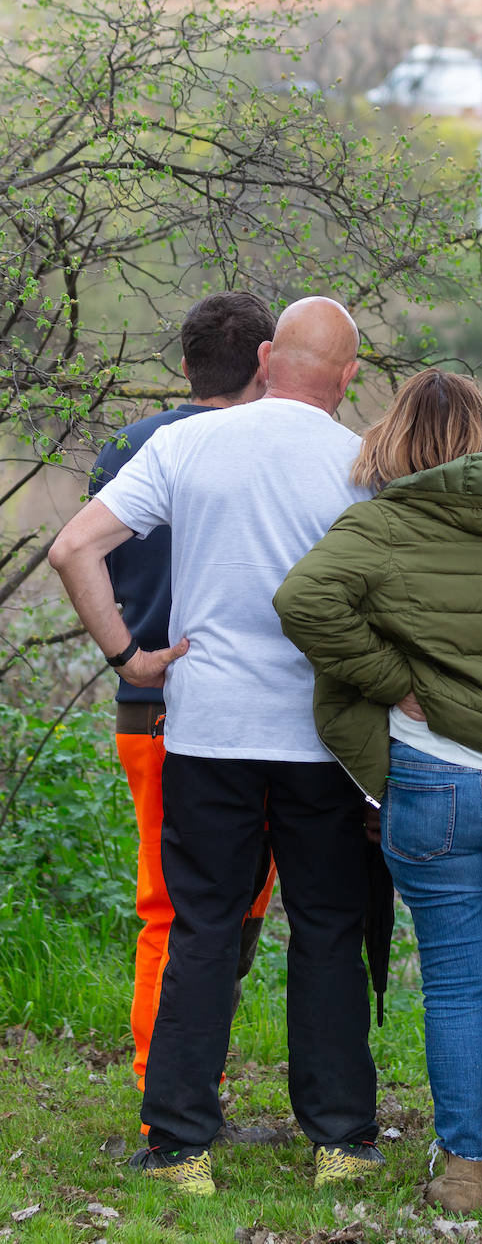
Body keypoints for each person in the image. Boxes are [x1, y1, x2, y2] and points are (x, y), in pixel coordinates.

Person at [48, 297, 381, 1196]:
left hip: (206, 730)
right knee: (326, 931)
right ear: (348, 378)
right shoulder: (363, 461)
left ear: (271, 357)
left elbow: (74, 547)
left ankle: (180, 1143)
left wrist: (129, 655)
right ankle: (342, 1141)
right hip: (324, 737)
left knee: (201, 928)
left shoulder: (185, 444)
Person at [273, 369, 482, 1215]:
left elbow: (302, 600)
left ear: (396, 443)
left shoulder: (380, 525)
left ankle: (460, 1171)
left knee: (454, 983)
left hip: (434, 780)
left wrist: (392, 679)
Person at [88, 291, 279, 1111]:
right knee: (196, 907)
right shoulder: (262, 450)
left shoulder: (123, 448)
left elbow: (90, 559)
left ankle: (188, 1073)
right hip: (233, 708)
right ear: (266, 361)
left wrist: (125, 654)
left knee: (194, 906)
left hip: (149, 705)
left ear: (185, 362)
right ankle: (162, 1083)